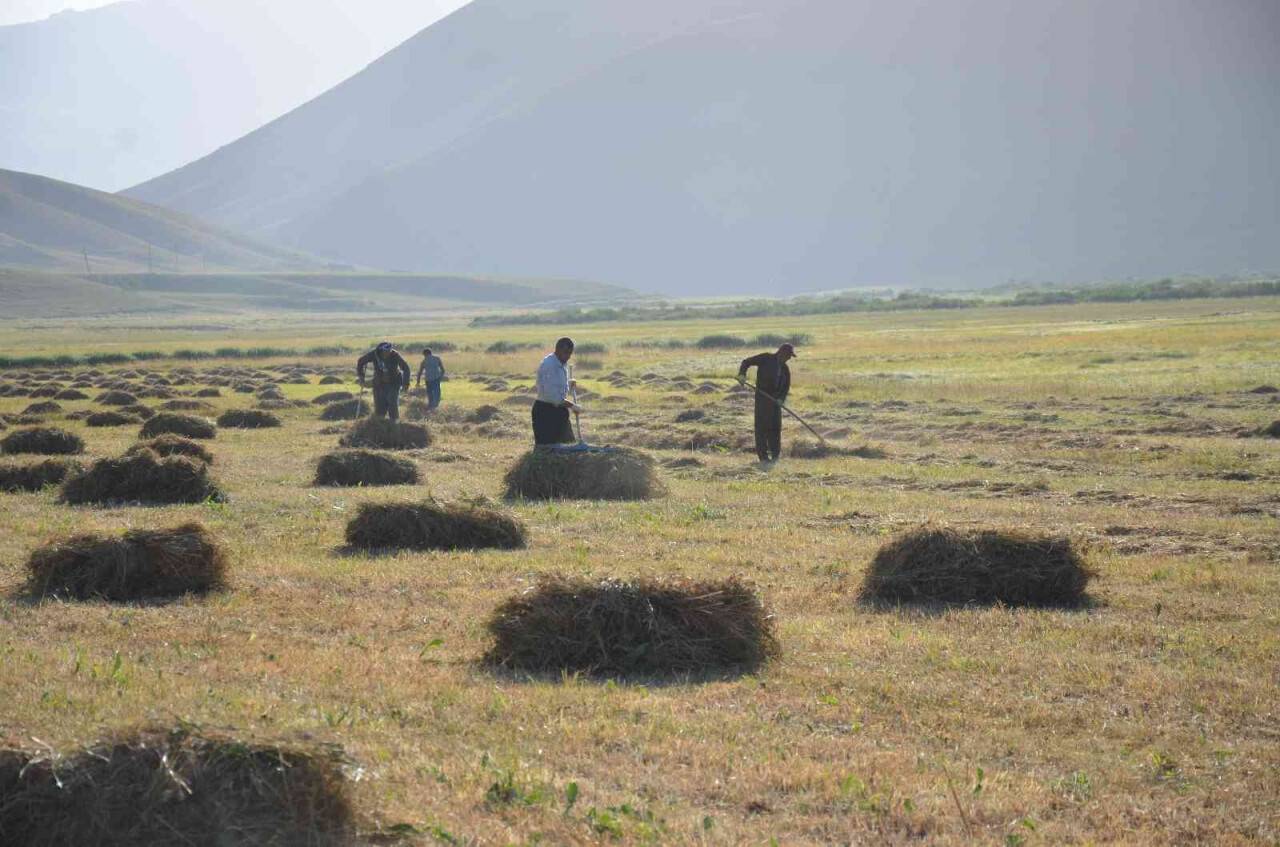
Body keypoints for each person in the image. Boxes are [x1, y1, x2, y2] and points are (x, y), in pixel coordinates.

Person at [738, 342, 796, 463]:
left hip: (776, 403)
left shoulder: (785, 369)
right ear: (782, 353)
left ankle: (775, 456)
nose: (789, 358)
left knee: (775, 428)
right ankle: (763, 458)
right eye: (789, 355)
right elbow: (746, 362)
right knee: (762, 429)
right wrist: (742, 375)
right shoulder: (766, 358)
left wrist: (781, 398)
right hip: (763, 399)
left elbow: (786, 386)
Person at [532, 337, 580, 445]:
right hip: (546, 413)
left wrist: (568, 384)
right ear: (557, 350)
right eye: (566, 352)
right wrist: (572, 406)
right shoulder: (549, 365)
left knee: (569, 447)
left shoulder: (562, 364)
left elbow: (558, 388)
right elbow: (553, 397)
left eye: (570, 353)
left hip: (559, 412)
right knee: (548, 449)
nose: (568, 356)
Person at [356, 341, 411, 421]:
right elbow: (361, 361)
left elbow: (406, 368)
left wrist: (406, 384)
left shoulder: (395, 355)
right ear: (381, 350)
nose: (388, 353)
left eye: (390, 350)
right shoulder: (374, 354)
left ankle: (394, 424)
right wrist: (361, 376)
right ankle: (380, 425)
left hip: (393, 383)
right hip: (379, 384)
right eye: (386, 351)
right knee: (379, 408)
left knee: (392, 404)